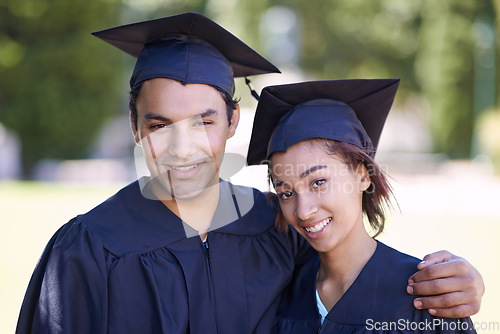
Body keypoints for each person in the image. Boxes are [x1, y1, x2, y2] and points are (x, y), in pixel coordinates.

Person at [16, 13, 483, 334]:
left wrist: (463, 283)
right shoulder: (88, 248)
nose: (184, 149)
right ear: (136, 126)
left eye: (205, 121)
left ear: (233, 122)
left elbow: (355, 273)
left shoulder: (275, 225)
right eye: (159, 125)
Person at [246, 79, 478, 333]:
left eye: (318, 182)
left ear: (362, 176)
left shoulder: (424, 297)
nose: (303, 210)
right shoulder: (286, 292)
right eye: (286, 192)